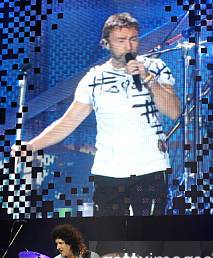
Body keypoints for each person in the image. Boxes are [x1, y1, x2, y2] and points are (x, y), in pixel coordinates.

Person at [15, 13, 180, 216]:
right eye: (121, 40)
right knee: (110, 240)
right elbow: (68, 122)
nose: (129, 46)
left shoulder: (155, 67)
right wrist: (31, 146)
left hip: (150, 169)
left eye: (133, 39)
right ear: (106, 43)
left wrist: (147, 79)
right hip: (109, 172)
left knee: (147, 237)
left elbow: (173, 111)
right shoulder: (93, 79)